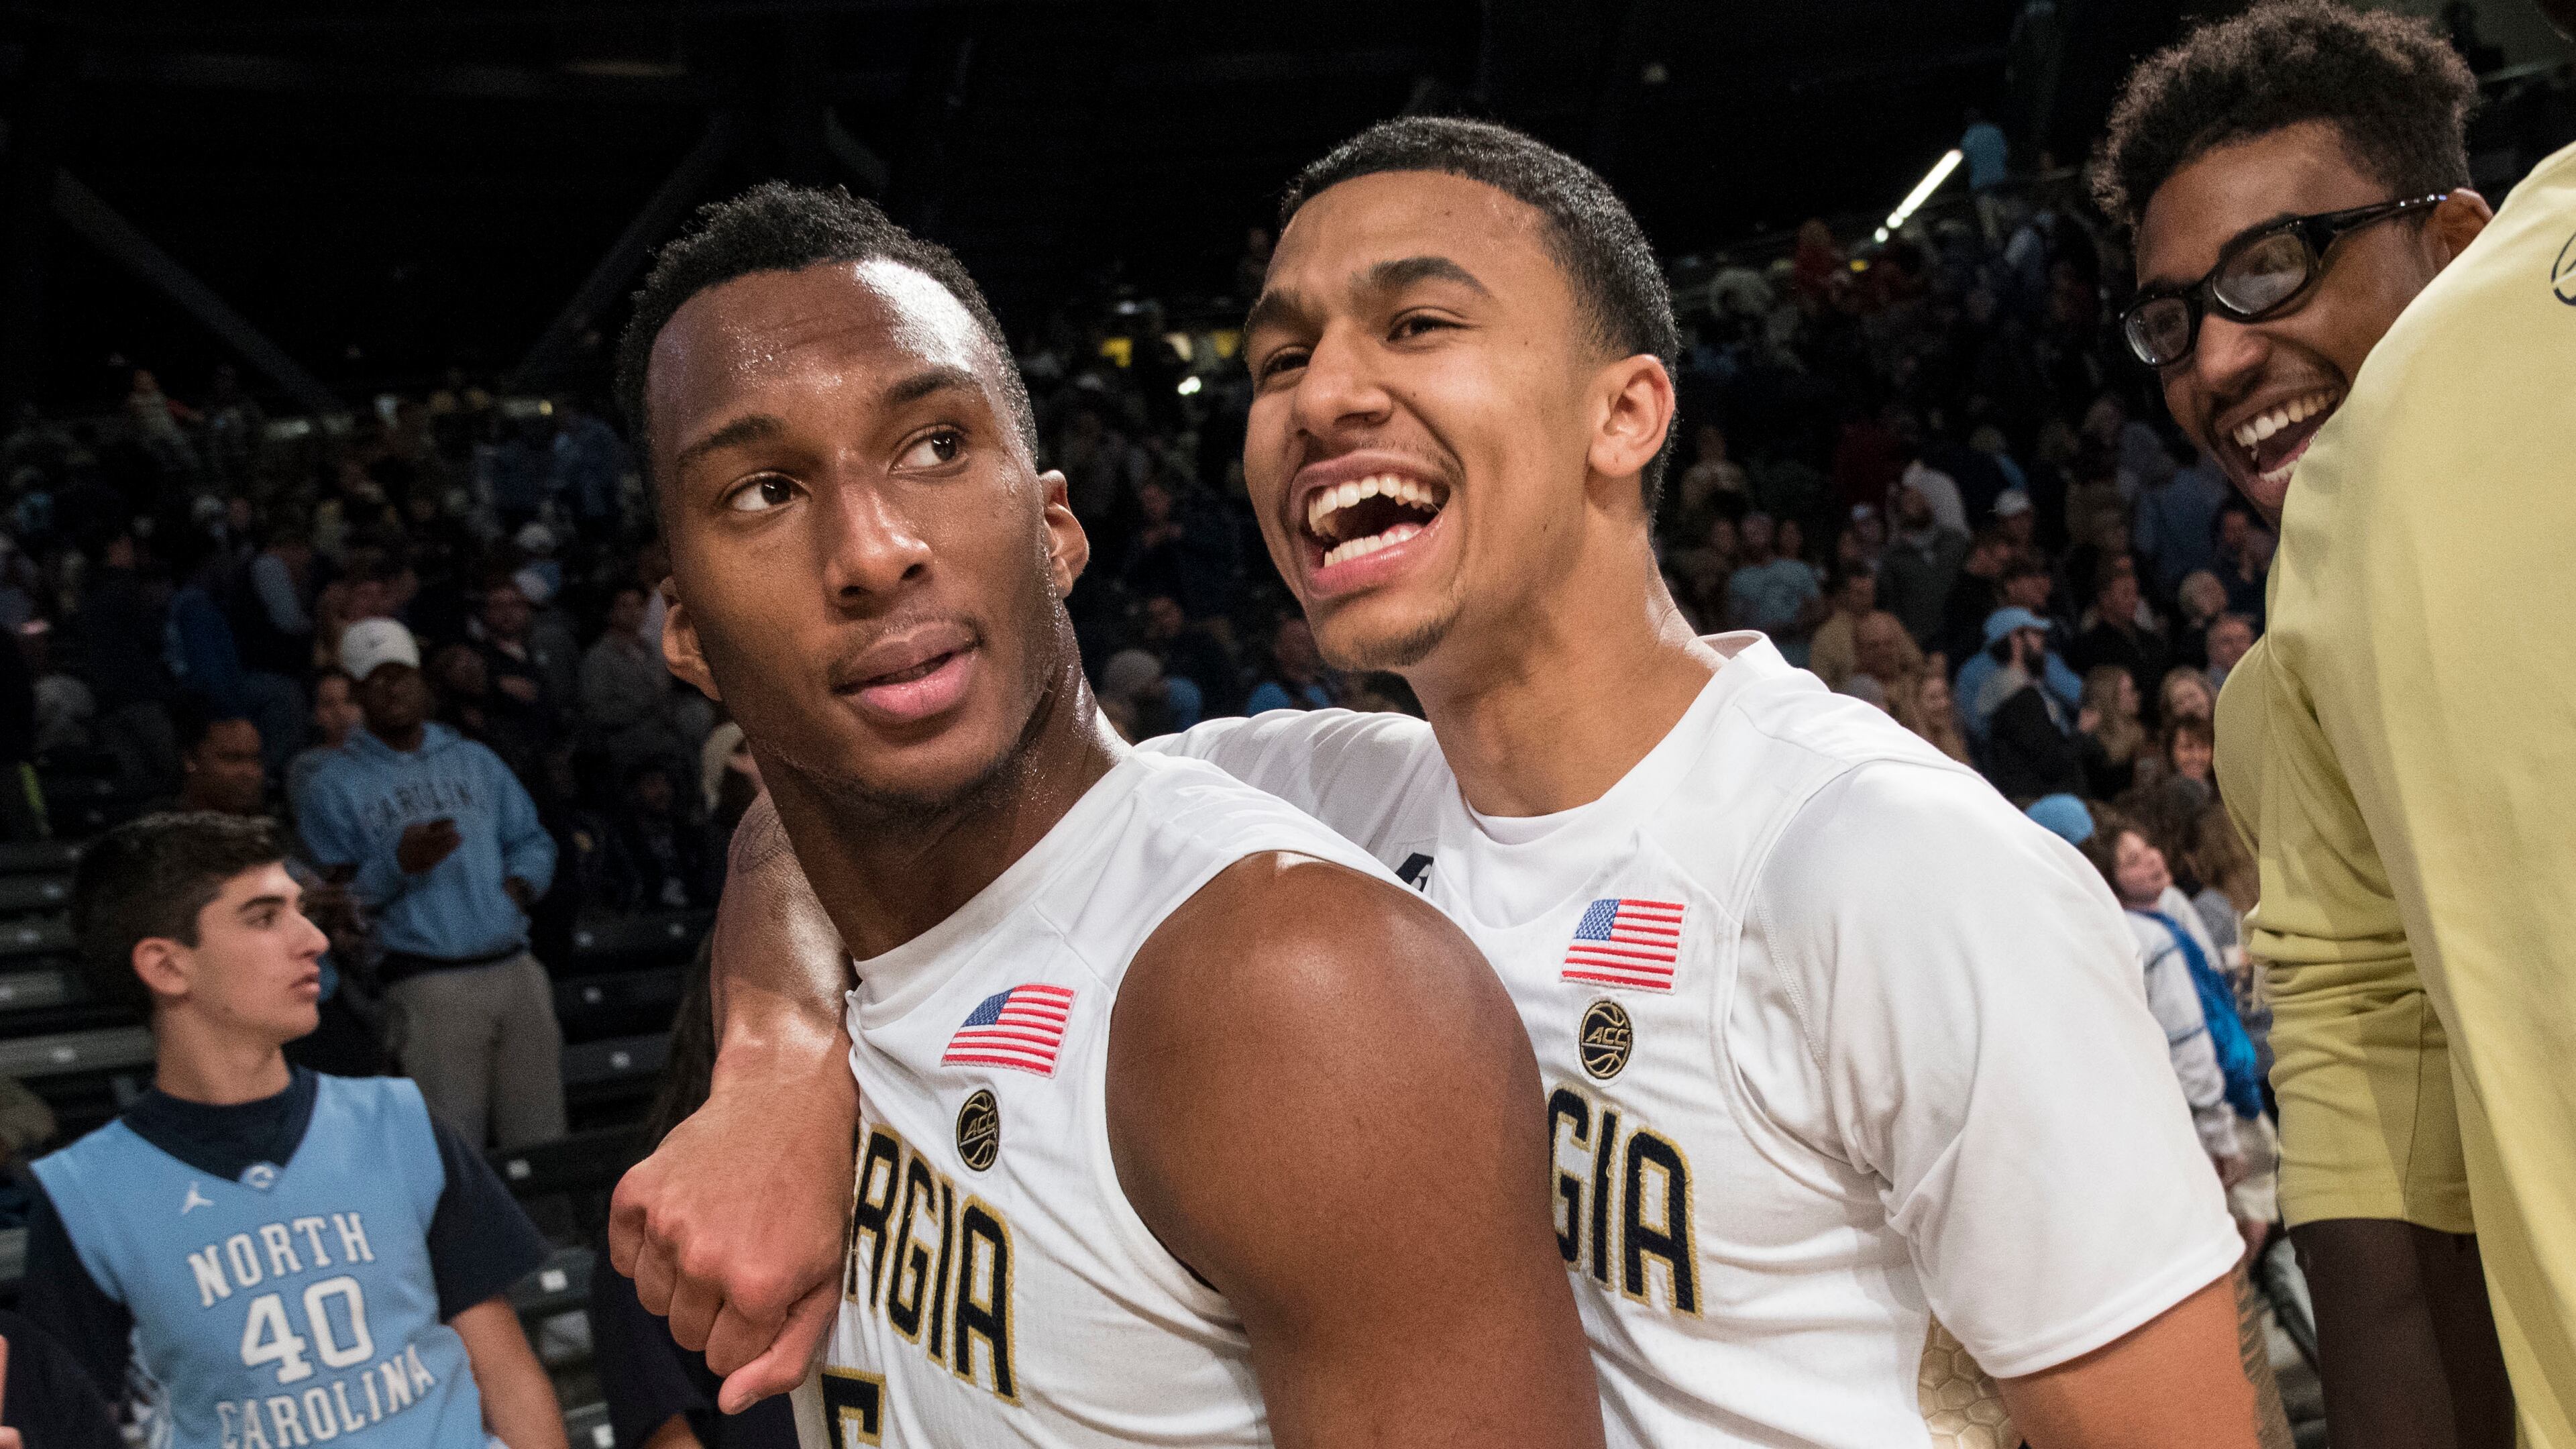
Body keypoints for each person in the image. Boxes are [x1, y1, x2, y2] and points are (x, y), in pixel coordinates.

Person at [653, 124, 2263, 1446]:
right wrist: (778, 1057)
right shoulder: (1306, 802)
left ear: (1624, 411)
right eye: (1279, 356)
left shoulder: (1882, 865)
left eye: (1415, 324)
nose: (1320, 392)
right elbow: (857, 796)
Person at [607, 181, 1603, 1444]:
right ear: (684, 633)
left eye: (936, 446)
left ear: (1057, 528)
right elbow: (787, 834)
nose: (872, 549)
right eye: (763, 491)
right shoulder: (837, 926)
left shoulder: (1289, 994)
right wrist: (771, 1057)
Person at [2095, 4, 2518, 1442]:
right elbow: (2389, 1226)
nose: (2212, 364)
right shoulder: (2283, 700)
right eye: (2172, 317)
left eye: (2270, 266)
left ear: (2458, 245)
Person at [23, 812, 564, 1447]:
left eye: (301, 910)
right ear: (167, 968)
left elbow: (505, 1372)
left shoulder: (399, 1120)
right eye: (263, 917)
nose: (313, 940)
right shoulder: (84, 1195)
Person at [293, 619, 566, 1149]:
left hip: (514, 967)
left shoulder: (475, 759)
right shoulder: (332, 787)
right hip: (424, 983)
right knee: (452, 1155)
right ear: (354, 693)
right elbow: (339, 905)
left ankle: (552, 1238)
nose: (392, 689)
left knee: (544, 1145)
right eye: (376, 680)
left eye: (401, 675)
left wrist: (514, 891)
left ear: (422, 681)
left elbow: (534, 842)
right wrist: (398, 864)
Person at [1976, 608, 2088, 804]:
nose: (2042, 641)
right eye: (2035, 634)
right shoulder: (2019, 698)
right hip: (2040, 803)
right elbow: (2050, 762)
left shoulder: (2014, 691)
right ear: (2015, 639)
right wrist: (2082, 732)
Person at [2078, 664, 2147, 799]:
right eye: (2130, 691)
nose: (2136, 695)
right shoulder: (2092, 746)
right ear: (2109, 698)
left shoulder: (2140, 734)